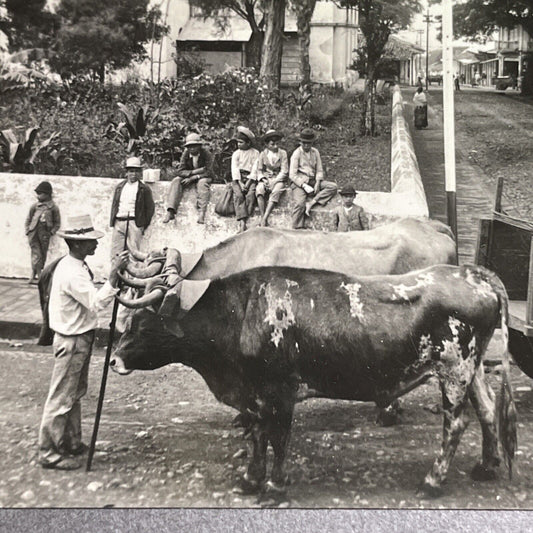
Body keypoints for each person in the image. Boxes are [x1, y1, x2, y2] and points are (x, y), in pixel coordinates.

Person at [38, 213, 129, 470]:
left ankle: (71, 441)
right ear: (77, 244)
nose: (96, 244)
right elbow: (96, 302)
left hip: (79, 337)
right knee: (61, 397)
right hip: (73, 340)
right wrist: (113, 276)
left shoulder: (75, 266)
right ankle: (49, 452)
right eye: (90, 241)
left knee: (74, 394)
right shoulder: (72, 273)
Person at [289, 128, 338, 229]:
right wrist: (304, 185)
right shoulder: (296, 154)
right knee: (300, 203)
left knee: (333, 187)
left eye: (309, 143)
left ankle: (312, 203)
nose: (306, 145)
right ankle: (296, 228)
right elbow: (292, 175)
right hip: (299, 182)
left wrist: (317, 182)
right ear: (300, 142)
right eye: (304, 143)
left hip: (312, 180)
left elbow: (319, 170)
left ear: (312, 143)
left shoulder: (315, 152)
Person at [163, 133, 214, 225]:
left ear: (199, 146)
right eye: (189, 147)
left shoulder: (206, 154)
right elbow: (180, 171)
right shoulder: (186, 154)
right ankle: (170, 211)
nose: (192, 149)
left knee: (202, 184)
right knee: (176, 180)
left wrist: (195, 177)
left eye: (194, 146)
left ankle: (202, 212)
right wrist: (194, 172)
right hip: (191, 176)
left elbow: (209, 171)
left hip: (204, 177)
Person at [109, 157, 154, 259]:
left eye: (136, 171)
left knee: (134, 254)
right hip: (119, 222)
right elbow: (115, 205)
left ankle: (132, 275)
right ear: (127, 172)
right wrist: (114, 221)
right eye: (131, 171)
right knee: (116, 253)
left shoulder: (144, 189)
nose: (133, 174)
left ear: (140, 173)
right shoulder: (120, 187)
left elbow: (150, 208)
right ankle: (115, 274)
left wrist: (142, 225)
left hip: (135, 222)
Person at [25, 181, 61, 284]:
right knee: (36, 254)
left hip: (45, 233)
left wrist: (52, 232)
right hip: (33, 232)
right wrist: (27, 229)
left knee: (42, 255)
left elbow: (57, 223)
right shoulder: (35, 206)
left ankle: (34, 273)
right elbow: (29, 218)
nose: (38, 196)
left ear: (48, 194)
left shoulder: (53, 207)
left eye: (41, 193)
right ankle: (39, 276)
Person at [255, 129, 289, 227]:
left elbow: (284, 170)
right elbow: (259, 170)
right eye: (272, 144)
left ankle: (265, 217)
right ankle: (262, 216)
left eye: (277, 143)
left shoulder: (283, 153)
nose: (275, 146)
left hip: (278, 179)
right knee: (259, 189)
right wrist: (263, 179)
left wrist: (275, 181)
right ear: (266, 144)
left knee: (276, 191)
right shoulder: (263, 154)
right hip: (266, 178)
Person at [231, 126, 259, 232]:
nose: (239, 145)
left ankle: (247, 219)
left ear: (248, 143)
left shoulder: (255, 153)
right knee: (238, 195)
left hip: (250, 178)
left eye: (241, 142)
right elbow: (235, 169)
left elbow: (255, 169)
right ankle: (242, 222)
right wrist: (240, 183)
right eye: (238, 142)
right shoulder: (236, 154)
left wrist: (248, 183)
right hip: (238, 179)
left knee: (251, 194)